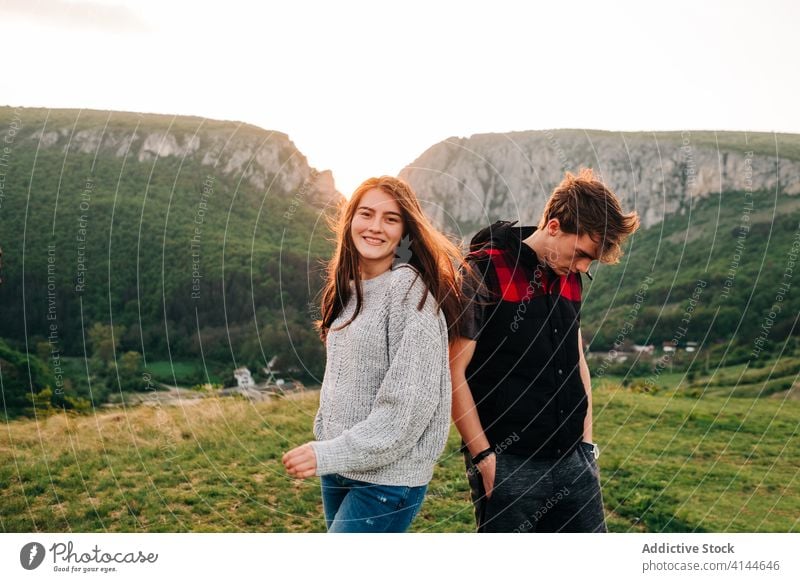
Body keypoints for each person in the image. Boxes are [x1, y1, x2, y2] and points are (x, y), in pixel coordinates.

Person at [450, 168, 640, 532]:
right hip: (509, 465)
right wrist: (486, 459)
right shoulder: (483, 271)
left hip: (575, 462)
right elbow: (453, 372)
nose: (583, 267)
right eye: (582, 254)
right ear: (554, 226)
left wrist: (586, 445)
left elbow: (578, 359)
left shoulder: (570, 277)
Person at [282, 175, 464, 533]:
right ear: (350, 220)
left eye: (390, 219)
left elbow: (405, 412)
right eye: (366, 214)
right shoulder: (351, 288)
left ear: (405, 231)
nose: (375, 227)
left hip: (387, 478)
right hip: (342, 467)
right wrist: (329, 441)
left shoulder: (409, 293)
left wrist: (326, 453)